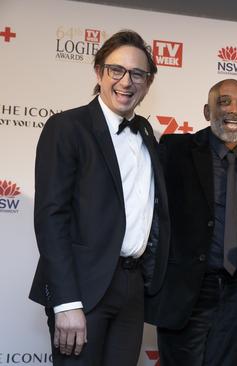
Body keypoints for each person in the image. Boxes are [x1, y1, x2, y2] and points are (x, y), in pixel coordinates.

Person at [29, 30, 169, 365]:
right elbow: (51, 218)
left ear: (148, 83)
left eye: (137, 74)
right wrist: (66, 303)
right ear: (98, 72)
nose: (126, 81)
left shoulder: (147, 133)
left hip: (132, 289)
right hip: (82, 288)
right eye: (116, 70)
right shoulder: (67, 127)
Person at [145, 79, 237, 366]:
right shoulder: (176, 149)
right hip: (187, 291)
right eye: (224, 101)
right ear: (207, 112)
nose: (234, 110)